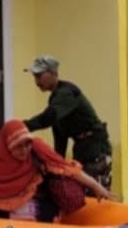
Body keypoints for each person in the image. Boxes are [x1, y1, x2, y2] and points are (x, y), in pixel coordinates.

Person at [0, 119, 115, 222]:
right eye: (18, 147)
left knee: (45, 209)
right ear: (7, 146)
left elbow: (67, 168)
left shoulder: (37, 148)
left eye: (27, 144)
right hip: (4, 209)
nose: (25, 150)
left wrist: (96, 187)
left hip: (39, 206)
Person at [22, 55, 113, 193]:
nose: (36, 80)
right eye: (35, 76)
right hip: (82, 148)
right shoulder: (55, 100)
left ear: (54, 73)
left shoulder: (67, 92)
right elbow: (60, 138)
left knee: (96, 195)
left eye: (40, 75)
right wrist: (56, 166)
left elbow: (49, 117)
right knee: (80, 193)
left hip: (95, 148)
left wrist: (22, 126)